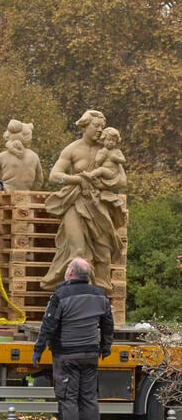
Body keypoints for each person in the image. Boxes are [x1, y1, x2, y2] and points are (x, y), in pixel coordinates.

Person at [40, 110, 125, 293]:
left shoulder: (108, 150)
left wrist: (101, 183)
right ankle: (75, 295)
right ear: (85, 126)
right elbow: (54, 176)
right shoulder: (73, 149)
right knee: (77, 250)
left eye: (102, 127)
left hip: (99, 205)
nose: (100, 130)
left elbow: (122, 181)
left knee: (104, 252)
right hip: (75, 202)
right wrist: (77, 179)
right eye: (96, 126)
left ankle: (100, 295)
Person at [32, 257, 114, 420]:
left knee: (68, 397)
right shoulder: (100, 295)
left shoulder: (61, 296)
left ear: (70, 273)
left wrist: (39, 349)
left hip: (67, 354)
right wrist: (106, 347)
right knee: (89, 397)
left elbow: (49, 325)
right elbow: (108, 325)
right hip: (91, 354)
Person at [0, 119, 43, 191]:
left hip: (5, 197)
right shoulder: (34, 156)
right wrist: (30, 194)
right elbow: (39, 181)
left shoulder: (1, 157)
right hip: (27, 197)